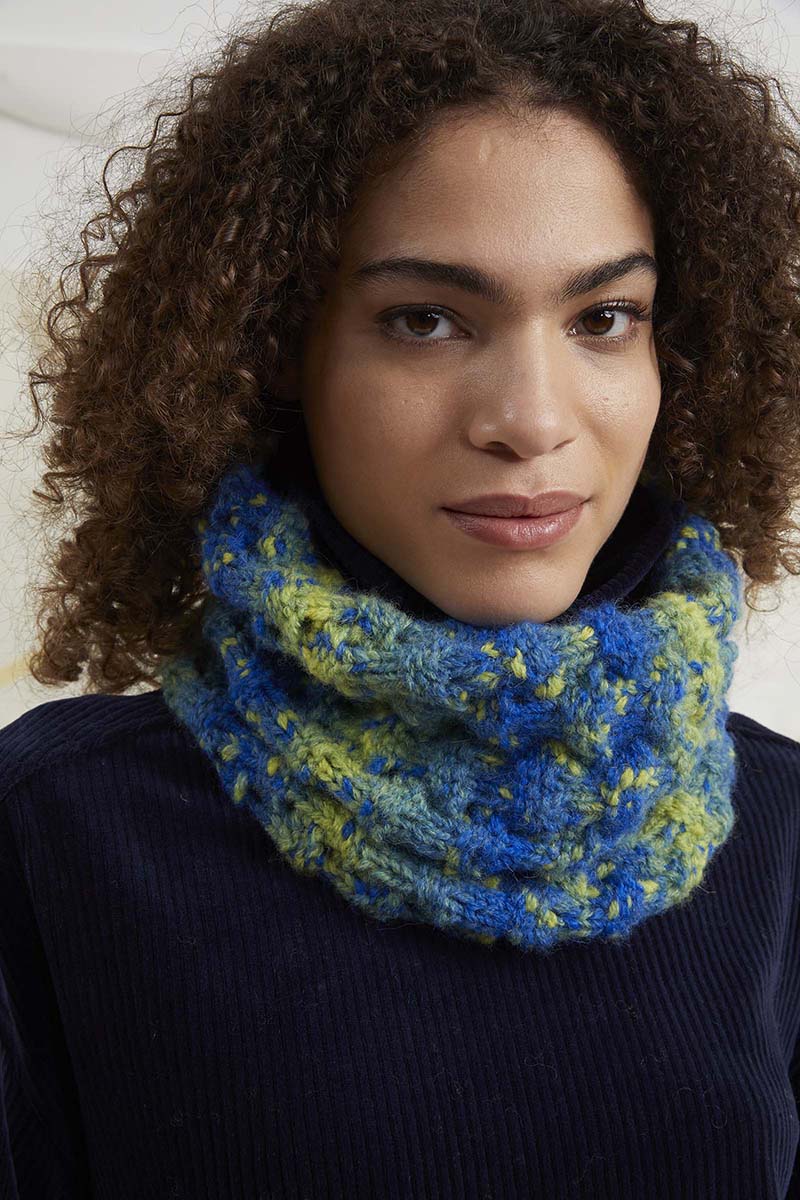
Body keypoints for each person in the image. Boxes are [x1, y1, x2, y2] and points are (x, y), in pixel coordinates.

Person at [2, 0, 800, 1194]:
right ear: (280, 348)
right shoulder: (59, 826)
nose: (529, 420)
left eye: (602, 318)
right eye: (424, 320)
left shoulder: (781, 826)